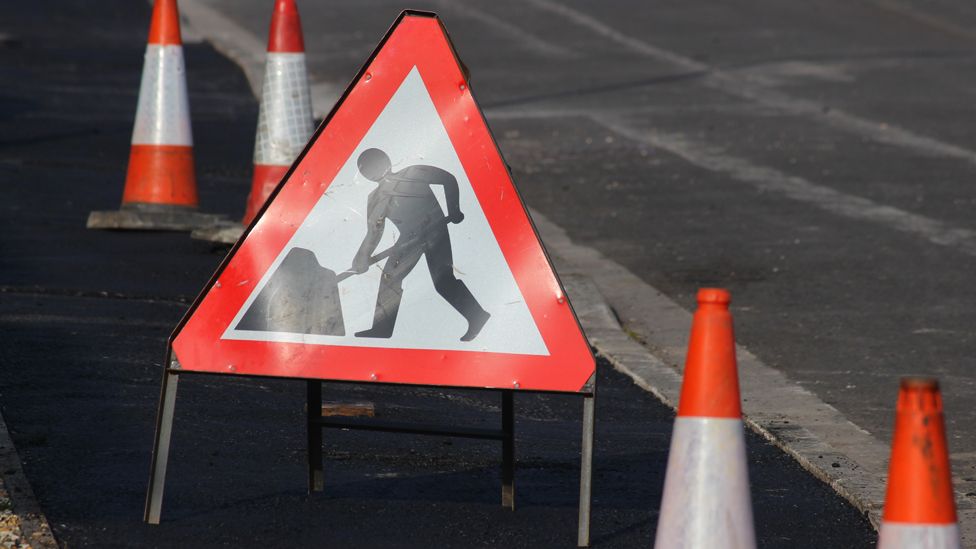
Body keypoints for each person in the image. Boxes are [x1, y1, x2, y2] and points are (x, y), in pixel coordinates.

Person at [351, 148, 490, 341]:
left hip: (435, 230)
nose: (369, 171)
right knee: (389, 278)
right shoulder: (374, 199)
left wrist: (454, 209)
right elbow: (374, 232)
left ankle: (477, 316)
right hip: (408, 240)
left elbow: (448, 179)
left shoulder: (413, 173)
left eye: (372, 165)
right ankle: (382, 328)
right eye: (365, 168)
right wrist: (361, 258)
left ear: (386, 161)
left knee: (443, 281)